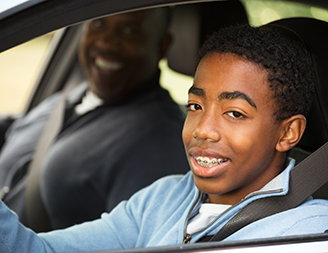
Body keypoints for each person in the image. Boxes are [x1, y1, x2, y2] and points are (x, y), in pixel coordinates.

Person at [0, 24, 328, 253]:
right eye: (196, 106)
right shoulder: (166, 196)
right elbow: (41, 250)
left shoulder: (309, 231)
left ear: (288, 133)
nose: (203, 129)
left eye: (235, 113)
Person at [0, 8, 189, 231]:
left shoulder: (161, 139)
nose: (107, 41)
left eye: (130, 30)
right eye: (99, 24)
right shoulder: (65, 99)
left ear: (162, 46)